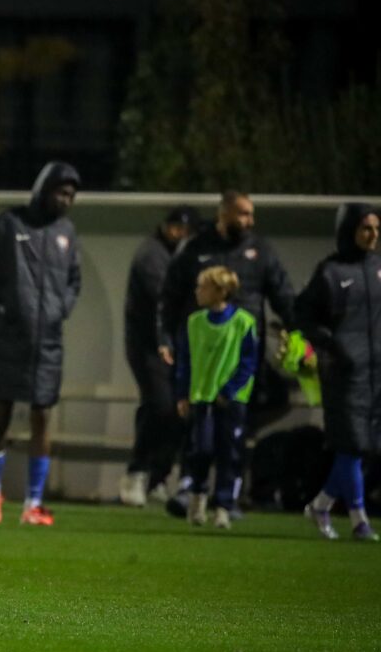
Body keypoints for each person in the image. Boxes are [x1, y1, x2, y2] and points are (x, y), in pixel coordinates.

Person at [158, 190, 296, 516]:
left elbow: (284, 296)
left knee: (232, 437)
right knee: (197, 434)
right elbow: (169, 297)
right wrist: (165, 338)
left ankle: (226, 498)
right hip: (203, 360)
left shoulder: (260, 251)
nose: (249, 220)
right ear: (224, 214)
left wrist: (302, 331)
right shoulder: (195, 249)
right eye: (243, 214)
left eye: (250, 214)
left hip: (242, 364)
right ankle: (190, 489)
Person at [0, 161, 82, 527]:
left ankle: (33, 503)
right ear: (43, 189)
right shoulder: (7, 223)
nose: (66, 200)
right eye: (61, 192)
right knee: (1, 417)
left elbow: (74, 280)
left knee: (42, 416)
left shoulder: (66, 232)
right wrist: (5, 297)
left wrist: (61, 308)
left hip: (47, 341)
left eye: (71, 195)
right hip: (7, 336)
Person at [294, 202, 381, 542]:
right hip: (343, 374)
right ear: (349, 231)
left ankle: (321, 505)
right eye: (365, 228)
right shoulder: (330, 272)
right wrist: (332, 345)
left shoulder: (378, 268)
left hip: (375, 375)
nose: (373, 235)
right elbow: (302, 314)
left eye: (376, 229)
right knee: (351, 446)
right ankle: (360, 520)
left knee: (364, 448)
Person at [119, 206, 195, 507]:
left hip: (175, 345)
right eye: (176, 227)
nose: (180, 233)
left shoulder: (181, 254)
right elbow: (163, 298)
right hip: (148, 345)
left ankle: (157, 477)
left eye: (185, 229)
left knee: (176, 410)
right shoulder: (151, 254)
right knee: (161, 405)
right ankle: (137, 472)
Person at [175, 266, 258, 530]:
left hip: (231, 401)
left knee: (228, 453)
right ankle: (198, 498)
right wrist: (182, 393)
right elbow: (184, 362)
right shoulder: (194, 322)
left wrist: (229, 390)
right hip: (202, 397)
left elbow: (248, 363)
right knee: (201, 450)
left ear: (220, 291)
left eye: (203, 286)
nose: (197, 291)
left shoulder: (244, 322)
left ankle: (223, 506)